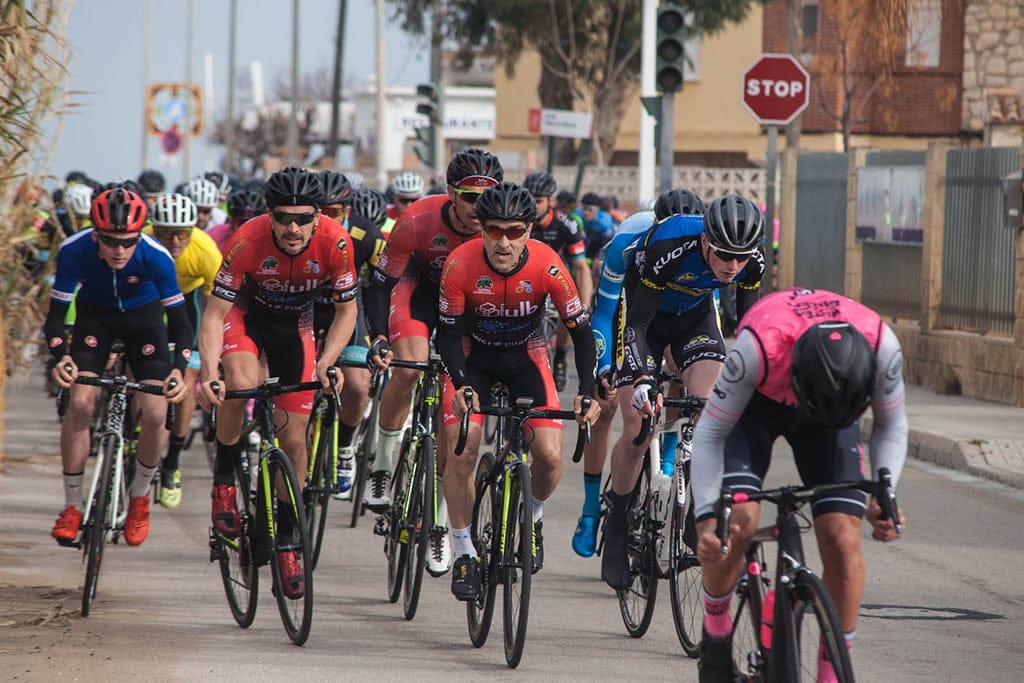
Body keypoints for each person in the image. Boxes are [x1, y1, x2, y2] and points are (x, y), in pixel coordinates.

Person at [690, 287, 909, 683]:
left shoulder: (882, 346)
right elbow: (709, 433)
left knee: (842, 539)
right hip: (756, 407)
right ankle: (717, 633)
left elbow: (891, 424)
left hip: (830, 422)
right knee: (738, 520)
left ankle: (830, 673)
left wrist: (885, 492)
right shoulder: (755, 349)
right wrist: (707, 517)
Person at [197, 167, 359, 599]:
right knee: (241, 382)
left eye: (304, 218)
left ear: (317, 215)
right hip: (244, 318)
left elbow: (347, 312)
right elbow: (214, 315)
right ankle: (225, 478)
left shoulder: (335, 242)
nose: (293, 228)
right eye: (284, 217)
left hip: (296, 328)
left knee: (294, 439)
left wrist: (327, 361)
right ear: (269, 215)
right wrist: (210, 371)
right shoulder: (247, 240)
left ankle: (287, 538)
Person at [437, 181, 601, 599]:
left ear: (530, 229)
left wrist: (586, 390)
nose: (504, 241)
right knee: (463, 445)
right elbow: (450, 337)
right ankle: (463, 551)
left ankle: (533, 517)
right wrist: (459, 383)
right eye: (494, 230)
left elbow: (579, 332)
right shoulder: (459, 264)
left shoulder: (548, 265)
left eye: (514, 231)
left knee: (547, 455)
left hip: (525, 359)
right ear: (482, 230)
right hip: (472, 359)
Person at [601, 194, 766, 591]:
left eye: (741, 258)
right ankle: (618, 519)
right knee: (639, 425)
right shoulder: (669, 245)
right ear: (706, 240)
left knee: (711, 408)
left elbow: (747, 330)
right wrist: (641, 379)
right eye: (725, 254)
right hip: (645, 320)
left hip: (695, 320)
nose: (732, 266)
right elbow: (637, 325)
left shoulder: (751, 261)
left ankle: (698, 507)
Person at [364, 148, 504, 577]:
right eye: (468, 197)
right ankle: (384, 462)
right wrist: (379, 338)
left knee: (456, 428)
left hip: (465, 314)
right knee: (409, 367)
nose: (478, 209)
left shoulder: (500, 232)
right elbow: (379, 284)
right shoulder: (417, 221)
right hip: (418, 296)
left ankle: (441, 522)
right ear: (450, 193)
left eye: (487, 196)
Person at [44, 188, 190, 547]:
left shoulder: (156, 257)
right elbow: (55, 319)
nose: (119, 250)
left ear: (140, 236)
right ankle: (72, 505)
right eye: (109, 241)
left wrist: (178, 369)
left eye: (128, 241)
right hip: (96, 320)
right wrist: (61, 355)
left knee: (156, 412)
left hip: (145, 323)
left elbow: (183, 323)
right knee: (79, 403)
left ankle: (139, 499)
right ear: (95, 234)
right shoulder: (74, 251)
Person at [572, 188, 705, 558]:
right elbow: (604, 314)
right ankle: (589, 511)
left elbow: (708, 322)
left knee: (686, 379)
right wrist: (605, 368)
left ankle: (666, 464)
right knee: (609, 404)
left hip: (674, 314)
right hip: (628, 311)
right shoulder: (628, 243)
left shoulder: (705, 253)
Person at [143, 193, 222, 508]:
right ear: (153, 229)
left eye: (182, 234)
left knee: (187, 379)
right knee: (143, 372)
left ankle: (173, 460)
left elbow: (217, 309)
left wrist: (213, 352)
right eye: (165, 233)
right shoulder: (141, 242)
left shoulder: (205, 250)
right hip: (148, 302)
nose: (174, 241)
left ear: (193, 230)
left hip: (186, 306)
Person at [315, 170, 386, 500]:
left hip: (347, 309)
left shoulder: (366, 235)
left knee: (357, 385)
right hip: (305, 307)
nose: (324, 219)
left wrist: (379, 334)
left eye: (333, 212)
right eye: (319, 211)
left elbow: (379, 288)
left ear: (346, 211)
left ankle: (345, 447)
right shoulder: (297, 231)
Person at [522, 171, 593, 392]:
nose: (533, 204)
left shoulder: (566, 223)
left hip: (554, 279)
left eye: (539, 200)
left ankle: (561, 354)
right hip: (525, 281)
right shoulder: (519, 218)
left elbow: (581, 267)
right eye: (530, 197)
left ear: (551, 201)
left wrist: (585, 304)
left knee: (569, 311)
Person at [206, 188, 267, 253]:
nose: (248, 227)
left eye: (254, 224)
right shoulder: (214, 236)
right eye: (242, 222)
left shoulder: (268, 242)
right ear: (231, 220)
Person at [574, 191, 615, 261]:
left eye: (590, 210)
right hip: (586, 239)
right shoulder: (577, 214)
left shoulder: (604, 222)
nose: (586, 212)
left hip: (600, 241)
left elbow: (607, 244)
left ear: (597, 210)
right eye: (584, 209)